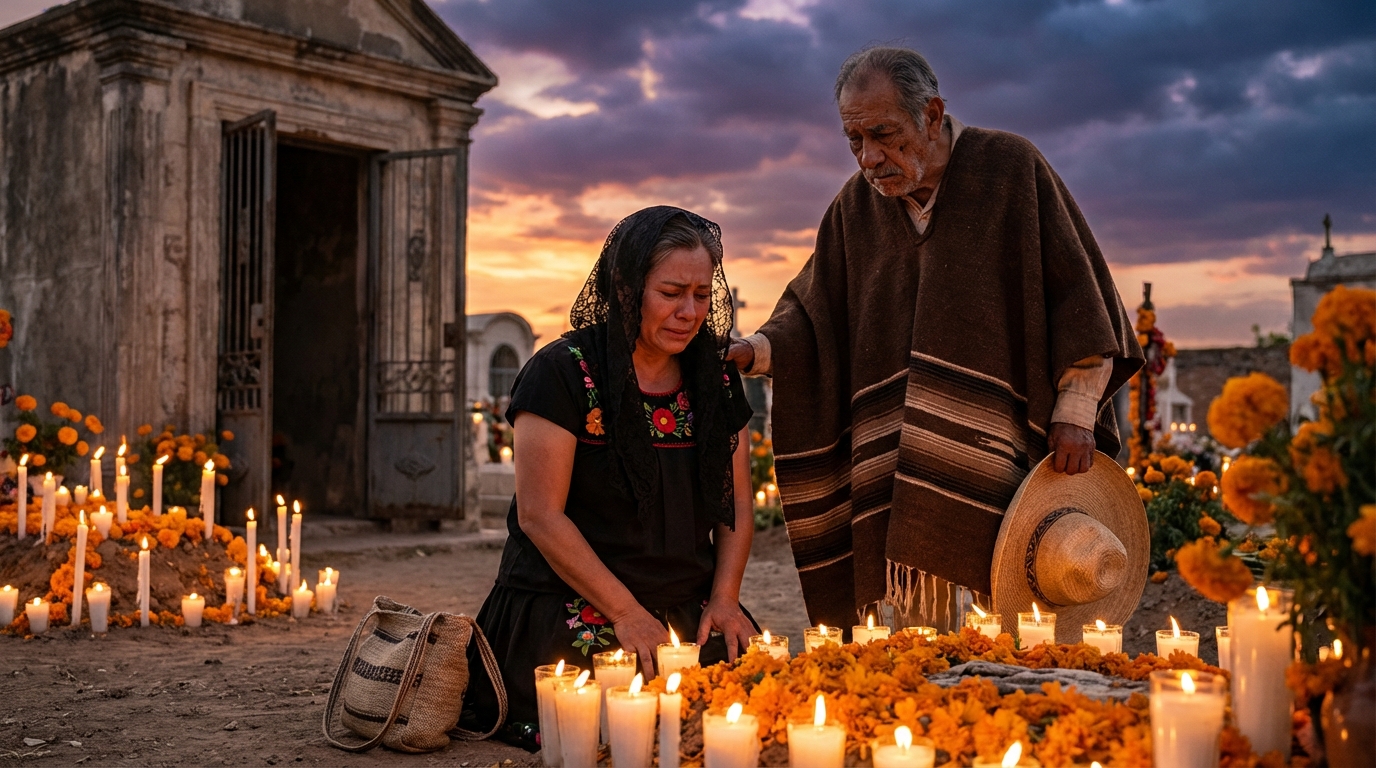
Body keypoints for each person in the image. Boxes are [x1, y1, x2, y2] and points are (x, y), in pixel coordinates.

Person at [727, 47, 1145, 633]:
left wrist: (1076, 410)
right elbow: (814, 310)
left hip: (1005, 443)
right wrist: (756, 350)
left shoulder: (1009, 169)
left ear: (931, 114)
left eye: (885, 134)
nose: (871, 158)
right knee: (916, 622)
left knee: (1015, 598)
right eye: (855, 141)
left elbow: (1078, 299)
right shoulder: (855, 207)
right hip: (898, 459)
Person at [464, 207, 758, 744]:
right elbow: (540, 515)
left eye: (701, 294)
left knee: (747, 708)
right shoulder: (562, 371)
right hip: (573, 603)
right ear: (626, 288)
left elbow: (736, 504)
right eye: (671, 292)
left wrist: (726, 598)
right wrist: (625, 612)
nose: (689, 312)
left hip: (688, 606)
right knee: (611, 721)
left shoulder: (712, 375)